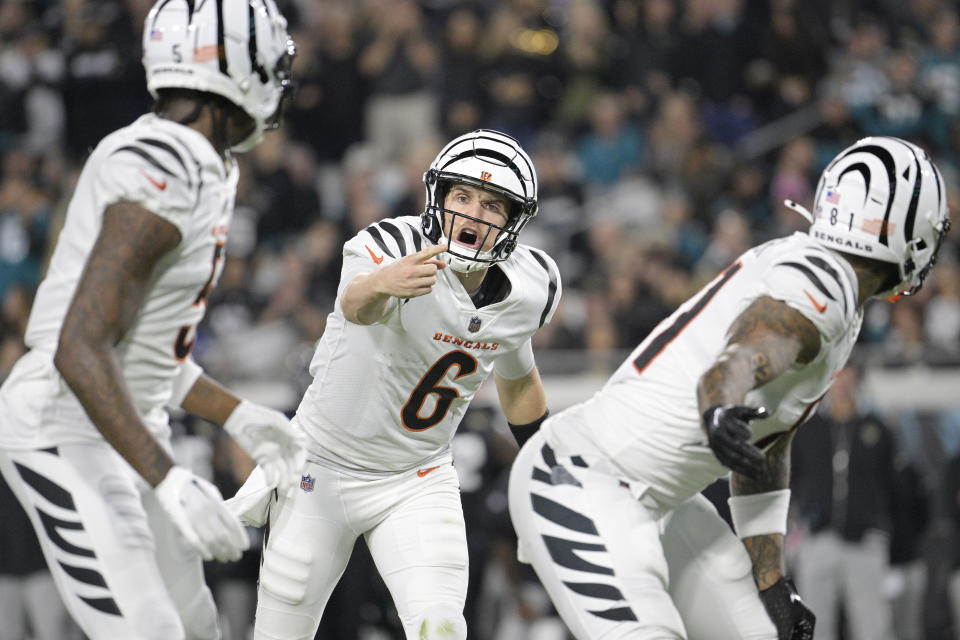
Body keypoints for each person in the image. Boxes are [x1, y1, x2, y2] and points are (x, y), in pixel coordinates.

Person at [507, 135, 950, 640]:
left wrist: (771, 581)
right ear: (904, 229)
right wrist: (720, 398)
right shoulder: (827, 284)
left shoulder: (828, 287)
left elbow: (763, 444)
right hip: (583, 481)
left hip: (664, 503)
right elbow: (753, 346)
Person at [0, 2, 306, 639]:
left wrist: (237, 414)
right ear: (232, 65)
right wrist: (167, 479)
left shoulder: (203, 162)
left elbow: (140, 353)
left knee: (198, 629)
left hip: (120, 424)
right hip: (64, 428)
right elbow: (79, 346)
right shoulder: (165, 162)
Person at [230, 128, 562, 639]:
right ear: (438, 196)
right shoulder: (388, 247)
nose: (474, 214)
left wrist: (549, 466)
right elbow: (356, 305)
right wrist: (383, 284)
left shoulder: (529, 287)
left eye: (493, 204)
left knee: (443, 626)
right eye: (463, 196)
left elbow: (519, 383)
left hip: (417, 475)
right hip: (321, 468)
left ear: (513, 220)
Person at [790, 365, 900, 640]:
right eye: (838, 377)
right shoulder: (808, 429)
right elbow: (794, 477)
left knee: (872, 625)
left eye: (848, 377)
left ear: (857, 382)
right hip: (818, 537)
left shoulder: (876, 428)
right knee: (814, 625)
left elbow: (892, 484)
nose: (842, 385)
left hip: (864, 540)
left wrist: (879, 524)